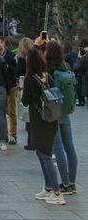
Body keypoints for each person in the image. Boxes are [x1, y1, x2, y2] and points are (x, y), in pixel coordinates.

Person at [21, 46, 64, 205]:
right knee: (41, 153)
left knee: (45, 156)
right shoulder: (48, 76)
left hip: (39, 121)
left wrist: (22, 89)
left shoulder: (30, 79)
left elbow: (25, 101)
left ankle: (57, 192)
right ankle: (48, 187)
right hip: (50, 119)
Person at [45, 40, 77, 195]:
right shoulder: (66, 67)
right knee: (69, 147)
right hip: (66, 111)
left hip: (54, 111)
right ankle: (71, 182)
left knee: (58, 148)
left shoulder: (49, 70)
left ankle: (64, 182)